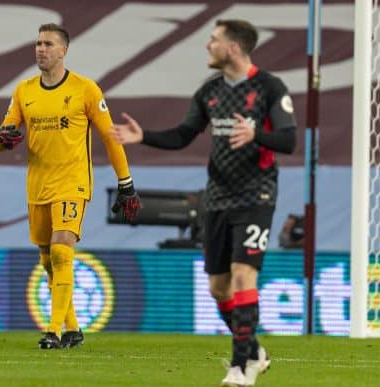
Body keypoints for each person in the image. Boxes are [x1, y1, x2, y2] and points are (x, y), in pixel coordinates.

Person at [111, 19, 296, 386]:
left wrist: (257, 133)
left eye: (213, 40)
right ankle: (256, 351)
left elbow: (289, 141)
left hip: (256, 195)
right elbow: (183, 135)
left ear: (233, 48)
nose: (207, 46)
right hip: (217, 196)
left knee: (244, 274)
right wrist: (143, 135)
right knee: (218, 287)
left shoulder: (269, 88)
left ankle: (241, 367)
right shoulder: (210, 92)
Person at [0, 23, 140, 349]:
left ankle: (53, 331)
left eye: (48, 44)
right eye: (38, 43)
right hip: (38, 186)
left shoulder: (86, 90)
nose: (40, 49)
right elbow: (2, 137)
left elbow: (110, 138)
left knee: (61, 250)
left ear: (63, 50)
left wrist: (125, 183)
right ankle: (73, 328)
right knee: (48, 261)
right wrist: (2, 139)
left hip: (72, 183)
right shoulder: (24, 91)